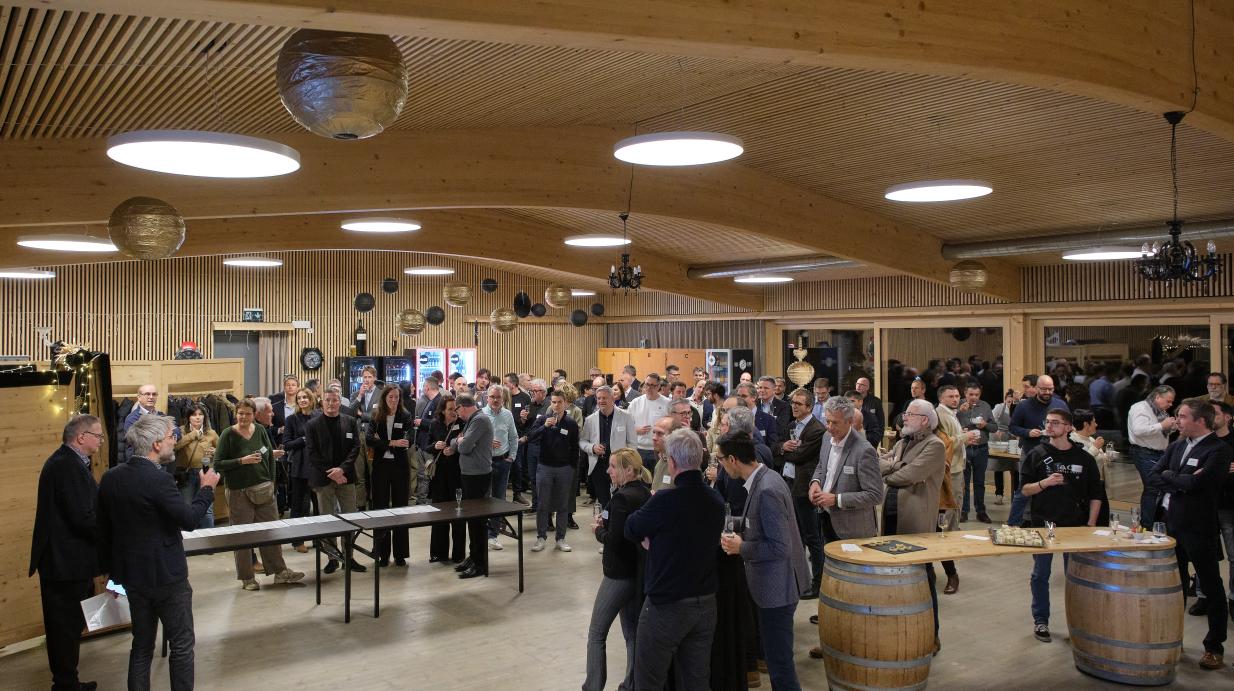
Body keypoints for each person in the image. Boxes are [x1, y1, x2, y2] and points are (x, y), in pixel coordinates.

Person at [97, 414, 220, 691]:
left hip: (132, 577)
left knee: (141, 646)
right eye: (170, 437)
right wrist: (206, 490)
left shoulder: (111, 477)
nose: (174, 441)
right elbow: (189, 519)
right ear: (155, 444)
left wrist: (112, 576)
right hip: (166, 577)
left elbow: (104, 531)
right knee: (182, 644)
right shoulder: (159, 480)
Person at [625, 429, 726, 690]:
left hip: (667, 603)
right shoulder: (715, 499)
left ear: (671, 462)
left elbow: (631, 527)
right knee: (696, 680)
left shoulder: (664, 500)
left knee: (648, 679)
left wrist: (653, 538)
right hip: (705, 602)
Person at [719, 431, 810, 691]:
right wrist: (723, 521)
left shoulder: (767, 489)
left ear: (733, 459)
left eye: (721, 459)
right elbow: (755, 521)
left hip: (778, 589)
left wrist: (741, 547)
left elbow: (780, 547)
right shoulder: (765, 477)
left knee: (779, 664)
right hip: (775, 586)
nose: (720, 466)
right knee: (776, 659)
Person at [1148, 397, 1232, 670]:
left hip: (1198, 527)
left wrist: (1173, 477)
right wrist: (1180, 480)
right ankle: (1173, 639)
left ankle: (1214, 647)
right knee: (1175, 585)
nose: (1177, 420)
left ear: (1201, 420)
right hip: (1169, 524)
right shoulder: (1177, 445)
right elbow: (1153, 475)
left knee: (1210, 586)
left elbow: (1200, 484)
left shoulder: (1219, 450)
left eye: (1183, 416)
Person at [29, 414, 104, 691]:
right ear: (81, 437)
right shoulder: (65, 466)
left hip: (69, 561)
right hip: (63, 563)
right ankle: (64, 684)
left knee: (70, 625)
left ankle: (68, 681)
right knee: (63, 627)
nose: (101, 441)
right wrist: (111, 533)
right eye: (98, 435)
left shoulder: (70, 462)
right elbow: (82, 517)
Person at [1019, 408, 1102, 643]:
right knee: (1040, 575)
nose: (1049, 426)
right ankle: (1041, 621)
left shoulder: (1084, 458)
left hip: (1075, 526)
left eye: (1055, 423)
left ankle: (1078, 623)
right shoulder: (1036, 454)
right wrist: (1044, 483)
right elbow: (1024, 490)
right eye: (1047, 422)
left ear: (1068, 428)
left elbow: (1096, 494)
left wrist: (1090, 524)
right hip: (1043, 524)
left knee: (1075, 577)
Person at [806, 395, 884, 643]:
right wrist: (815, 483)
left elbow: (875, 495)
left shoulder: (864, 450)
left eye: (835, 423)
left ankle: (858, 638)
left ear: (850, 422)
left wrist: (836, 499)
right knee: (833, 580)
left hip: (854, 530)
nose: (829, 427)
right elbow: (822, 467)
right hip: (826, 520)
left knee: (856, 588)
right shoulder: (826, 440)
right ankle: (834, 625)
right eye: (827, 421)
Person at [214, 399, 305, 590]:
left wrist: (271, 481)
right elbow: (218, 464)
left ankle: (280, 572)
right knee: (243, 536)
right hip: (239, 492)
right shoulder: (227, 434)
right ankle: (247, 577)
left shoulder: (261, 430)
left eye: (248, 413)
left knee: (270, 532)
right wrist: (241, 461)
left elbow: (268, 455)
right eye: (240, 413)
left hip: (264, 489)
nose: (244, 417)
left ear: (254, 415)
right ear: (235, 414)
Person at [880, 398, 946, 652]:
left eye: (910, 414)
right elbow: (879, 465)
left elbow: (908, 476)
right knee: (894, 578)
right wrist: (896, 466)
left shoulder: (934, 445)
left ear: (925, 420)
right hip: (891, 516)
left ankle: (932, 635)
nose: (904, 417)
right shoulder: (902, 442)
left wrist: (891, 471)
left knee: (922, 577)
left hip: (915, 522)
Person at [583, 448, 652, 691]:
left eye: (613, 466)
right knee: (632, 633)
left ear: (628, 470)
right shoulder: (644, 493)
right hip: (637, 572)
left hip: (619, 574)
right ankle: (632, 683)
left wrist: (598, 531)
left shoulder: (623, 498)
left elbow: (616, 540)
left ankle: (592, 686)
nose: (608, 471)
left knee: (596, 632)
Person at [305, 390, 367, 574]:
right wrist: (333, 473)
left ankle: (349, 557)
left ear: (340, 402)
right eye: (327, 400)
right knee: (327, 518)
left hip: (346, 477)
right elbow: (312, 453)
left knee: (350, 518)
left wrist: (342, 469)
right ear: (322, 402)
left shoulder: (350, 421)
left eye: (334, 400)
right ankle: (332, 557)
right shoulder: (312, 424)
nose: (331, 403)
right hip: (323, 478)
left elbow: (356, 447)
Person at [774, 388, 825, 598]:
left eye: (798, 404)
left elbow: (799, 456)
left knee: (811, 537)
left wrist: (784, 451)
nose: (794, 406)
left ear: (809, 407)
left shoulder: (817, 430)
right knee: (794, 536)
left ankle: (818, 583)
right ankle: (798, 579)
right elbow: (776, 450)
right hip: (788, 483)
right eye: (793, 402)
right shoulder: (791, 426)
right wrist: (782, 447)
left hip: (804, 489)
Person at [1008, 374, 1069, 526]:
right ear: (1036, 388)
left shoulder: (1060, 405)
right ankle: (1013, 524)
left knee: (1052, 489)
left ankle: (1044, 520)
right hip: (1030, 452)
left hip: (1055, 453)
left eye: (1050, 389)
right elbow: (1013, 427)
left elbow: (1069, 426)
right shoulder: (1024, 406)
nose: (1047, 392)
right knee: (1024, 489)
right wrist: (1028, 432)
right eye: (1044, 389)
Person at [366, 384, 414, 566]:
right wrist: (392, 442)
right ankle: (382, 553)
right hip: (381, 467)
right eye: (390, 397)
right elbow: (369, 439)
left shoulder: (405, 416)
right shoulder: (376, 415)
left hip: (400, 467)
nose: (394, 400)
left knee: (401, 508)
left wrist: (383, 442)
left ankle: (400, 554)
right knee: (380, 509)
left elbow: (409, 440)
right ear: (384, 398)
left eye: (396, 397)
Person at [529, 390, 580, 552]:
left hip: (564, 469)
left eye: (559, 402)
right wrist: (544, 427)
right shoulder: (542, 420)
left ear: (565, 403)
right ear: (550, 403)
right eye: (553, 402)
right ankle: (541, 537)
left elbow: (575, 447)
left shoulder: (571, 423)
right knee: (543, 504)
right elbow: (531, 437)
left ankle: (561, 538)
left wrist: (572, 468)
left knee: (563, 505)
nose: (556, 405)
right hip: (545, 467)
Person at [452, 393, 494, 579]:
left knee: (478, 521)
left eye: (457, 410)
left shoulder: (480, 420)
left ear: (462, 406)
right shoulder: (472, 420)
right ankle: (474, 556)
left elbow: (463, 447)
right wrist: (459, 440)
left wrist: (461, 441)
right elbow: (458, 442)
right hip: (470, 475)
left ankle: (480, 563)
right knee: (472, 519)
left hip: (478, 476)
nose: (457, 414)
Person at [580, 385, 638, 509]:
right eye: (599, 398)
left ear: (612, 398)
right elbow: (583, 441)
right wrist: (592, 447)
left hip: (620, 465)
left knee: (620, 499)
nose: (601, 401)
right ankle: (606, 519)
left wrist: (628, 462)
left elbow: (632, 443)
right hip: (598, 466)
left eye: (604, 398)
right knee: (603, 501)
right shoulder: (590, 419)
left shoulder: (626, 416)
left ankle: (617, 519)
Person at [1129, 385, 1177, 527]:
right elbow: (1138, 430)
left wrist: (1172, 426)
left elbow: (1160, 431)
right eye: (1168, 401)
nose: (1171, 404)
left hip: (1159, 452)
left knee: (1158, 488)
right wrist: (1162, 425)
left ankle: (1157, 522)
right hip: (1144, 452)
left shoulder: (1159, 410)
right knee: (1152, 487)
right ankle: (1148, 525)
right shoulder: (1140, 408)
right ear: (1157, 397)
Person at [426, 394, 466, 563]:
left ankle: (458, 555)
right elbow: (426, 445)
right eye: (450, 409)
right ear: (442, 410)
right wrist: (435, 446)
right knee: (439, 515)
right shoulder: (435, 424)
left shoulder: (462, 424)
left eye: (455, 409)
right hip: (440, 476)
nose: (453, 412)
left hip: (457, 474)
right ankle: (438, 553)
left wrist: (455, 449)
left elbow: (468, 446)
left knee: (458, 515)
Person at [482, 385, 520, 550]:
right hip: (484, 462)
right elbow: (472, 438)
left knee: (499, 499)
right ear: (487, 398)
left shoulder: (507, 415)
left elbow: (513, 437)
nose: (495, 400)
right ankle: (482, 534)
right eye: (492, 397)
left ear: (503, 398)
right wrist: (487, 442)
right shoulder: (481, 415)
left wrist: (512, 456)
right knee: (484, 499)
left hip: (503, 461)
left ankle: (493, 535)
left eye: (498, 397)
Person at [282, 388, 319, 553]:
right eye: (299, 398)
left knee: (319, 506)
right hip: (299, 466)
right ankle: (297, 541)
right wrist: (303, 440)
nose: (302, 400)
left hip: (317, 466)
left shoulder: (319, 417)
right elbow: (287, 444)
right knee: (298, 506)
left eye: (305, 397)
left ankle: (320, 539)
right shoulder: (291, 419)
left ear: (311, 399)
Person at [173, 404, 219, 529]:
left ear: (205, 417)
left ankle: (208, 536)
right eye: (194, 415)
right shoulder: (181, 431)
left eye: (200, 414)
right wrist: (193, 434)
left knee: (207, 509)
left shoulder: (211, 433)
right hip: (186, 474)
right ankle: (187, 537)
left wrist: (215, 451)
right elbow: (175, 446)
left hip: (206, 472)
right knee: (186, 507)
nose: (197, 417)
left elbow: (222, 450)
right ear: (188, 417)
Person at [957, 382, 994, 523]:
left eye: (977, 395)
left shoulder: (985, 406)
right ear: (965, 393)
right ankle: (963, 511)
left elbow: (994, 427)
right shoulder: (957, 406)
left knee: (979, 482)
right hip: (964, 448)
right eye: (971, 394)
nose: (974, 397)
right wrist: (959, 411)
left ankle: (981, 511)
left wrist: (985, 425)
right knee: (964, 483)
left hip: (981, 449)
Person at [120, 383, 180, 469]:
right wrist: (165, 436)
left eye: (154, 394)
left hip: (161, 463)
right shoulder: (132, 418)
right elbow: (140, 442)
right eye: (147, 394)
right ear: (139, 397)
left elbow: (177, 432)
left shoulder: (161, 415)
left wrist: (161, 436)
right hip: (142, 465)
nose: (151, 397)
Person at [627, 373, 671, 466]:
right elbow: (626, 425)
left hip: (659, 449)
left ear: (658, 386)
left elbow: (672, 426)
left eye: (652, 385)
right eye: (647, 384)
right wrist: (635, 430)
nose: (649, 388)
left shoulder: (667, 403)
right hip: (639, 448)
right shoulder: (636, 402)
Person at [518, 378, 549, 507]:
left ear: (543, 392)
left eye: (535, 391)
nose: (532, 393)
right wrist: (522, 419)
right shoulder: (529, 405)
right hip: (531, 445)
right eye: (531, 391)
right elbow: (524, 426)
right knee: (533, 476)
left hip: (544, 445)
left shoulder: (549, 406)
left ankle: (544, 506)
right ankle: (536, 505)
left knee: (543, 478)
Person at [855, 376, 885, 448]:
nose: (858, 386)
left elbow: (881, 422)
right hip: (855, 438)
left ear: (867, 387)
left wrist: (877, 439)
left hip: (870, 439)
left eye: (862, 385)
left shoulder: (875, 401)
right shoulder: (851, 400)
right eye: (857, 384)